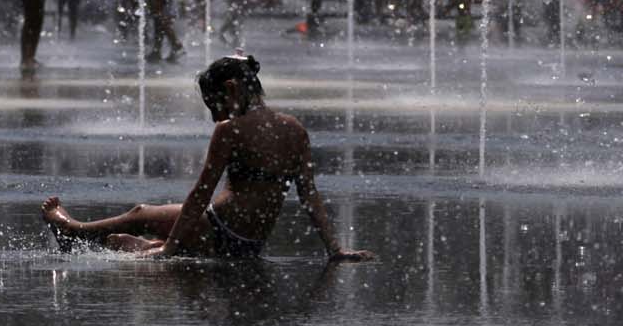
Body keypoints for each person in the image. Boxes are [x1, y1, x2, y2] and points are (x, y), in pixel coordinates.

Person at [40, 55, 374, 261]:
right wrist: (334, 248)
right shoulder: (295, 129)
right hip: (250, 243)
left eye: (215, 105)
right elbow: (309, 195)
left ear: (231, 90)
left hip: (219, 230)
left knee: (140, 212)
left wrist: (171, 247)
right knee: (138, 239)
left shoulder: (232, 130)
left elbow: (201, 193)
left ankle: (75, 232)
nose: (216, 117)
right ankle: (141, 246)